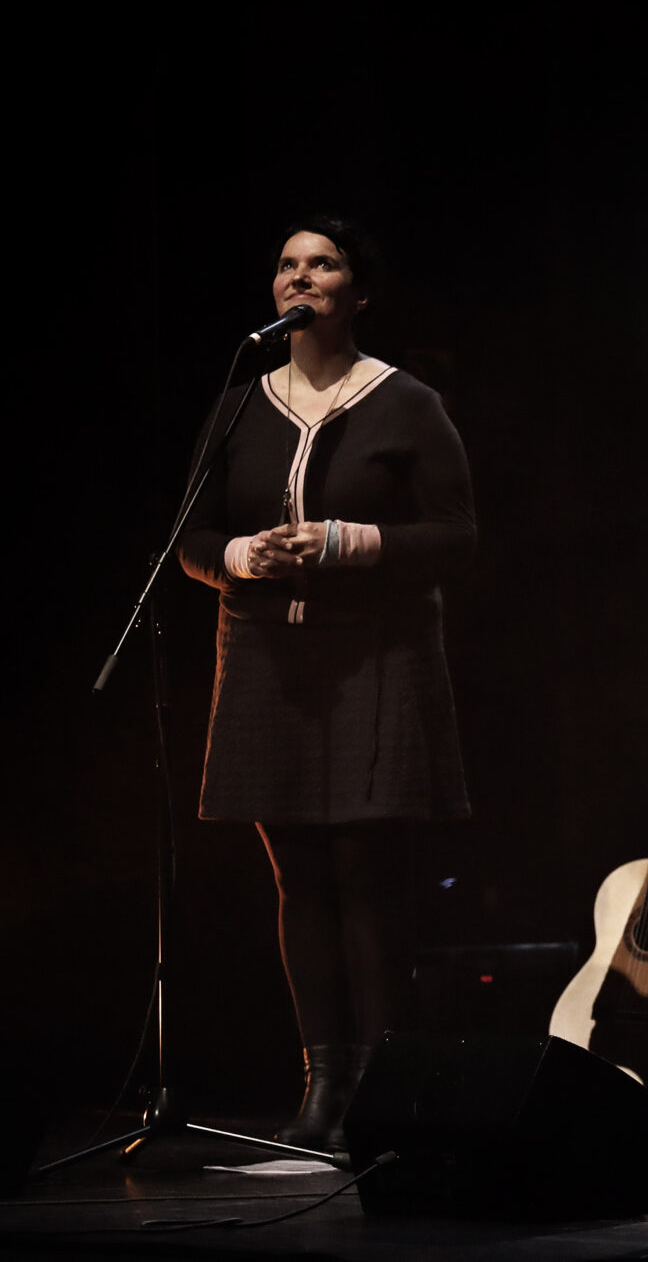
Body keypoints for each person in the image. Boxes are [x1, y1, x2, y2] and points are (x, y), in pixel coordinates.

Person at [177, 217, 476, 1152]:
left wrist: (348, 541)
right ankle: (324, 1080)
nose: (299, 277)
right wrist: (241, 554)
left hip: (374, 657)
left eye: (323, 263)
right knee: (297, 875)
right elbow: (185, 543)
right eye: (286, 264)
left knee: (365, 870)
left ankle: (387, 1081)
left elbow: (457, 537)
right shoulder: (238, 404)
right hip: (269, 660)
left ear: (358, 290)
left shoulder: (406, 402)